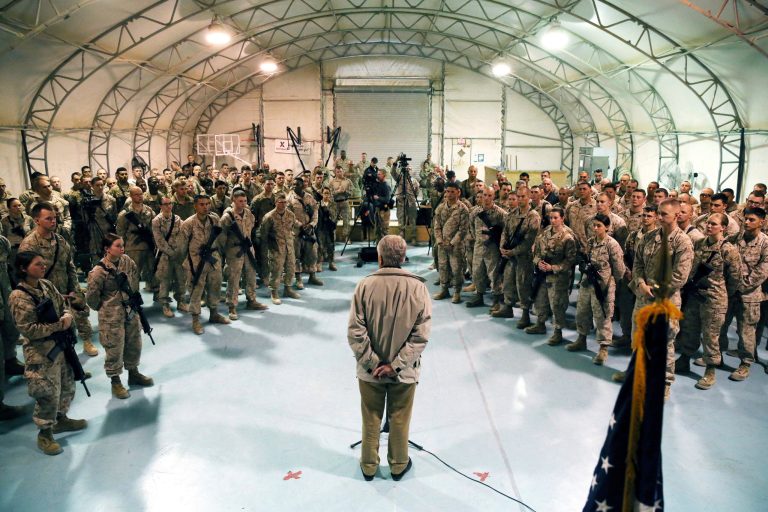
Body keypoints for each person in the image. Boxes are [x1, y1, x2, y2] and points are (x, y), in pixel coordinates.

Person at [348, 235, 431, 481]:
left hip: (369, 372)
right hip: (403, 373)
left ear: (380, 257)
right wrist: (395, 366)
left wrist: (374, 363)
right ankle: (398, 465)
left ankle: (369, 466)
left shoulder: (364, 286)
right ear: (403, 257)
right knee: (399, 417)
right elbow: (420, 335)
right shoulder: (418, 288)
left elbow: (355, 331)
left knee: (371, 416)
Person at [10, 250, 87, 453]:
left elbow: (63, 306)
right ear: (23, 269)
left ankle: (60, 419)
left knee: (67, 385)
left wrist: (67, 315)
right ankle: (45, 434)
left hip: (60, 346)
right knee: (47, 393)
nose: (43, 266)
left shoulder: (46, 285)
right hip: (41, 353)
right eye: (37, 264)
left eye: (43, 263)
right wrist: (58, 326)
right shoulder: (19, 296)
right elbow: (28, 329)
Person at [20, 203, 97, 357]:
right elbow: (27, 276)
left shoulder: (60, 240)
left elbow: (70, 265)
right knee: (58, 329)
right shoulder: (29, 245)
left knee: (80, 315)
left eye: (54, 218)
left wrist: (74, 287)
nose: (53, 221)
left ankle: (86, 341)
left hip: (66, 288)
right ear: (37, 221)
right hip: (46, 295)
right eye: (48, 219)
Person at [676, 213, 740, 389]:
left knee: (711, 335)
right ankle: (684, 359)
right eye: (708, 223)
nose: (709, 226)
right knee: (690, 328)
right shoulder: (699, 244)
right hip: (695, 295)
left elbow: (734, 278)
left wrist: (721, 292)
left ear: (723, 228)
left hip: (714, 299)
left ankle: (710, 370)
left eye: (713, 224)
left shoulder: (728, 250)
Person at [86, 234, 154, 398]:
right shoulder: (98, 271)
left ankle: (133, 373)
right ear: (107, 249)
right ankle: (115, 382)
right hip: (112, 317)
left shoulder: (127, 261)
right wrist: (108, 308)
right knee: (114, 349)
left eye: (122, 245)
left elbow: (134, 280)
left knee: (134, 343)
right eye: (117, 245)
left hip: (130, 311)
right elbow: (92, 299)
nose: (122, 248)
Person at [570, 214, 625, 364]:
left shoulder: (612, 244)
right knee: (582, 311)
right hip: (588, 282)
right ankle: (581, 339)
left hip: (604, 286)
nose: (595, 228)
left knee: (602, 316)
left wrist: (610, 283)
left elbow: (619, 270)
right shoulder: (591, 242)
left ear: (607, 227)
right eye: (594, 225)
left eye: (599, 226)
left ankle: (603, 348)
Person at [526, 207, 578, 344]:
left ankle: (558, 332)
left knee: (557, 304)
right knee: (540, 299)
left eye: (556, 218)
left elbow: (571, 260)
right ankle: (540, 324)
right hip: (542, 273)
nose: (553, 220)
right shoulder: (544, 232)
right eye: (551, 218)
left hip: (558, 276)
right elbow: (536, 251)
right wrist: (538, 263)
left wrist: (553, 267)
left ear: (562, 218)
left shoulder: (568, 236)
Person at [180, 194, 230, 335]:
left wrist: (219, 255)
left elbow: (220, 238)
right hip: (196, 261)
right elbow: (182, 247)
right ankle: (196, 320)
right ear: (195, 206)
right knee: (196, 290)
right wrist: (187, 264)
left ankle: (214, 313)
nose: (205, 207)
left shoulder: (214, 219)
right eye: (202, 204)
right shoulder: (188, 223)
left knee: (215, 286)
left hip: (213, 259)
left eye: (208, 204)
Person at [220, 190, 268, 320]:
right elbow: (221, 237)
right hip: (234, 251)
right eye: (240, 201)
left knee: (251, 275)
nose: (243, 204)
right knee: (234, 278)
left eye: (245, 201)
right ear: (233, 201)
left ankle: (251, 300)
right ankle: (232, 305)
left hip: (248, 248)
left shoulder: (248, 214)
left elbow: (251, 227)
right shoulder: (227, 217)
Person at [432, 183, 470, 303]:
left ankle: (457, 292)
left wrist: (452, 243)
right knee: (443, 267)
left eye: (452, 192)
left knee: (456, 269)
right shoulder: (441, 208)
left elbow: (463, 229)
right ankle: (444, 289)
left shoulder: (463, 209)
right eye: (447, 191)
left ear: (458, 192)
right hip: (442, 244)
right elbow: (436, 226)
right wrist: (439, 240)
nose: (449, 194)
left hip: (456, 246)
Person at [151, 195, 188, 317]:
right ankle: (165, 304)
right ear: (161, 206)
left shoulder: (177, 219)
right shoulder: (157, 221)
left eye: (170, 203)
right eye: (165, 204)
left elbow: (183, 235)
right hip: (164, 255)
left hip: (178, 255)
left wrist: (180, 251)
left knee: (180, 278)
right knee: (165, 280)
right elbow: (160, 241)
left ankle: (181, 301)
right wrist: (171, 253)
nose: (168, 206)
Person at [261, 193, 300, 304]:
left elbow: (293, 227)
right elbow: (263, 234)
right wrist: (269, 247)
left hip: (289, 246)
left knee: (290, 267)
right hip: (276, 248)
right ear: (275, 202)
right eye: (280, 202)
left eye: (284, 202)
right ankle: (274, 292)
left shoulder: (290, 214)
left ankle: (288, 289)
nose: (283, 205)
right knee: (276, 270)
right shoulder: (269, 216)